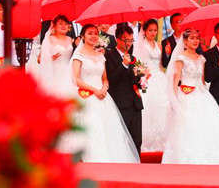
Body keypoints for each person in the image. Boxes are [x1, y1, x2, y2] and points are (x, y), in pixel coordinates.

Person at [163, 28, 219, 165]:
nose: (195, 41)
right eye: (192, 38)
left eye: (197, 38)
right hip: (185, 95)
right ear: (185, 41)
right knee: (187, 128)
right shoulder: (180, 58)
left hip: (202, 95)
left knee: (208, 127)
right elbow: (176, 80)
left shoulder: (202, 58)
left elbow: (203, 81)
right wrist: (174, 101)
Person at [70, 24, 139, 163]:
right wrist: (94, 90)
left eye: (96, 33)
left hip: (103, 96)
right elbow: (76, 79)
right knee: (91, 128)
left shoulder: (101, 56)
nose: (93, 36)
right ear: (83, 36)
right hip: (87, 96)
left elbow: (105, 78)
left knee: (108, 129)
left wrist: (104, 88)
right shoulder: (78, 56)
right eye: (90, 33)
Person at [104, 24, 143, 155]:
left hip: (135, 103)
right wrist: (123, 64)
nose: (129, 44)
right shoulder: (108, 56)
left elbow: (134, 80)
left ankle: (137, 164)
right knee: (122, 139)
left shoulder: (133, 58)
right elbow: (111, 79)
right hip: (120, 103)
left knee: (137, 139)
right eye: (126, 40)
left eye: (131, 40)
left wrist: (142, 80)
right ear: (118, 39)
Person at [133, 19, 169, 152]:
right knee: (149, 107)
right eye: (150, 30)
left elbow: (160, 64)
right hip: (147, 78)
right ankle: (147, 143)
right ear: (145, 31)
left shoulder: (159, 45)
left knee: (164, 106)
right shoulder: (141, 45)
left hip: (159, 76)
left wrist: (166, 53)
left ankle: (163, 141)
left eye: (155, 30)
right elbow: (137, 64)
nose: (153, 33)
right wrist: (143, 75)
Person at [38, 15, 75, 98]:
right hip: (54, 72)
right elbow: (39, 59)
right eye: (60, 23)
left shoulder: (70, 39)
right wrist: (50, 59)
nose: (63, 26)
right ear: (54, 26)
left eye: (66, 24)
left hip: (68, 72)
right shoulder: (50, 39)